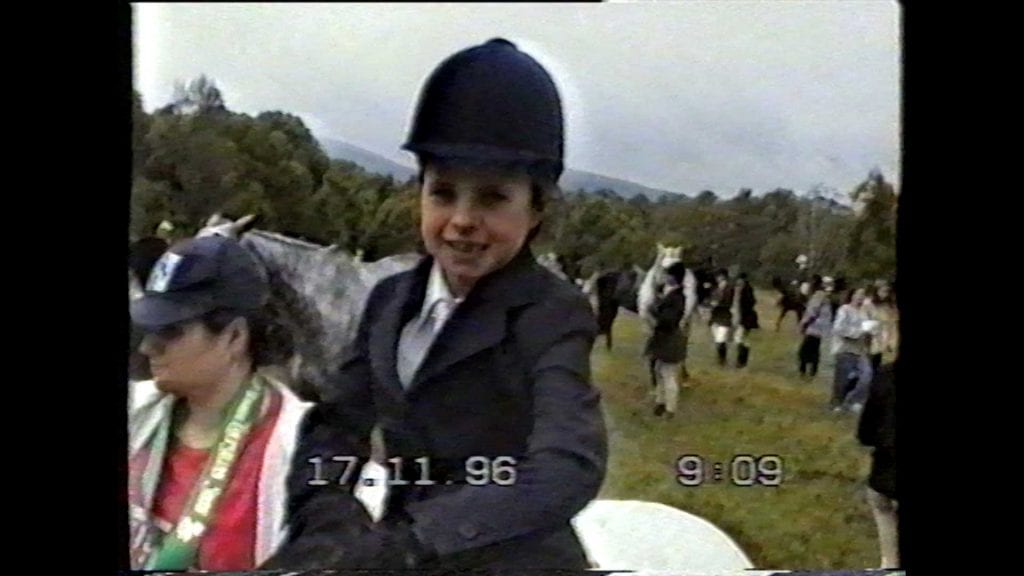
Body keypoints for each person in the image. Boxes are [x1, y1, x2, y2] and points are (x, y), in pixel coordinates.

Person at [263, 38, 608, 571]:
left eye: (492, 198)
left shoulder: (553, 314)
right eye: (443, 193)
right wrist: (325, 513)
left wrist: (418, 541)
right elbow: (337, 423)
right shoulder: (389, 300)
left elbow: (566, 469)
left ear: (536, 209)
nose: (462, 219)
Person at [128, 235, 313, 571]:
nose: (147, 348)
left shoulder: (303, 447)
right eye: (148, 329)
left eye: (169, 332)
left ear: (234, 337)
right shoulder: (137, 411)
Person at [857, 362, 898, 568]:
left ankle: (889, 563)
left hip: (885, 474)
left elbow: (865, 433)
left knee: (882, 508)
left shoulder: (886, 374)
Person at [645, 262, 690, 418]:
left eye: (666, 274)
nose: (664, 277)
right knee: (658, 370)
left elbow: (669, 320)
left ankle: (670, 409)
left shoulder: (677, 297)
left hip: (669, 337)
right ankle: (660, 402)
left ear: (673, 277)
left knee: (668, 374)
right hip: (664, 337)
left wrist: (653, 310)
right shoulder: (669, 294)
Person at [830, 286, 873, 412]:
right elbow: (838, 329)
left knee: (867, 375)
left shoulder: (864, 312)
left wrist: (872, 330)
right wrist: (858, 332)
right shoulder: (845, 309)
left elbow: (867, 329)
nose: (861, 297)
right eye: (858, 294)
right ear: (852, 295)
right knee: (842, 379)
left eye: (863, 294)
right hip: (844, 349)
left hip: (860, 350)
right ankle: (836, 404)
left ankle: (854, 401)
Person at [798, 274, 832, 379]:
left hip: (815, 326)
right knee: (814, 348)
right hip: (821, 326)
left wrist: (805, 323)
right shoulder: (824, 296)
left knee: (805, 350)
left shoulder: (818, 295)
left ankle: (805, 370)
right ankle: (811, 370)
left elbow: (813, 311)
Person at [731, 272, 759, 368]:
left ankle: (741, 361)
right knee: (744, 339)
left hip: (744, 317)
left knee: (739, 338)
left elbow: (741, 305)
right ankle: (743, 361)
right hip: (748, 317)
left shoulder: (743, 289)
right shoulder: (748, 288)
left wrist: (738, 317)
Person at [709, 269, 735, 366]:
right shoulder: (716, 289)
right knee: (718, 340)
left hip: (724, 316)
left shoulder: (729, 289)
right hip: (715, 317)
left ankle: (722, 360)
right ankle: (721, 359)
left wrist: (717, 304)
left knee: (720, 339)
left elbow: (729, 302)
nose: (717, 278)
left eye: (719, 276)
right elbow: (711, 299)